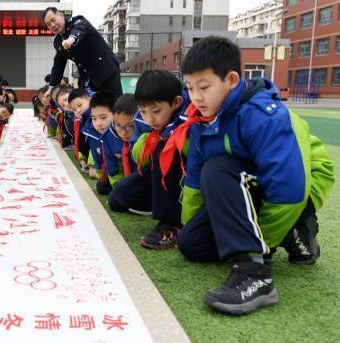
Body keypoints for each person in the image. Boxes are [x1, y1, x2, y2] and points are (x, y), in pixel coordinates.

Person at [175, 36, 335, 314]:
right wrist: (192, 225)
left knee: (218, 169)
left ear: (232, 80)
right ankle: (282, 237)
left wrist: (261, 249)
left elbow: (289, 190)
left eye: (204, 87)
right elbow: (194, 184)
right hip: (247, 187)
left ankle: (256, 275)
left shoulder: (263, 116)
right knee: (191, 244)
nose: (196, 97)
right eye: (189, 88)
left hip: (300, 187)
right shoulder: (203, 121)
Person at [133, 70, 189, 250]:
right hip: (155, 173)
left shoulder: (189, 118)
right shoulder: (147, 119)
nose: (149, 119)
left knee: (165, 149)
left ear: (177, 102)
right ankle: (158, 206)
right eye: (143, 112)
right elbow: (138, 155)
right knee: (121, 196)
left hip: (190, 179)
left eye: (156, 111)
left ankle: (171, 222)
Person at [42, 6, 122, 101]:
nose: (52, 25)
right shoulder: (58, 41)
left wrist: (71, 39)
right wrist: (51, 88)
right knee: (88, 108)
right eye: (48, 24)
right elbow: (58, 65)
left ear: (61, 15)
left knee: (115, 105)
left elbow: (79, 30)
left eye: (53, 20)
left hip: (105, 70)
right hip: (86, 77)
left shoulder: (78, 21)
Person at [101, 94, 139, 189]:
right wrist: (118, 188)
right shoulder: (108, 136)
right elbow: (112, 165)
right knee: (102, 187)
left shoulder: (143, 138)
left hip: (141, 181)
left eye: (129, 126)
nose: (123, 132)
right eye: (118, 125)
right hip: (123, 178)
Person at [84, 90, 115, 195]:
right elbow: (97, 156)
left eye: (103, 118)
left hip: (124, 175)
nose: (98, 123)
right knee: (102, 187)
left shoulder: (122, 135)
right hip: (108, 174)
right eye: (94, 119)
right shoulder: (92, 133)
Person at [68, 88, 92, 172]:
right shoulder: (80, 120)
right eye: (74, 109)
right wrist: (82, 158)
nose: (78, 110)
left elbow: (97, 141)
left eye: (80, 105)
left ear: (89, 99)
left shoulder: (95, 115)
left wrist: (94, 166)